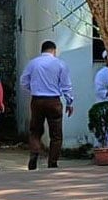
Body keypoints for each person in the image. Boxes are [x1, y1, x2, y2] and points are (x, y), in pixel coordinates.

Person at [20, 40, 74, 170]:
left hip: (37, 100)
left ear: (42, 50)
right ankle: (52, 162)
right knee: (56, 134)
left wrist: (33, 89)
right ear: (54, 51)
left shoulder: (33, 63)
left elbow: (23, 81)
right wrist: (69, 102)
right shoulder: (60, 64)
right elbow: (66, 85)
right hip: (53, 101)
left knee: (35, 131)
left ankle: (34, 154)